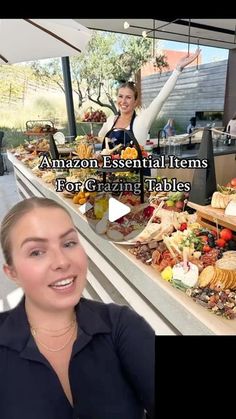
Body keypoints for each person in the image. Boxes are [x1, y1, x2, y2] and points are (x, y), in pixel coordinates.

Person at [0, 197, 155, 419]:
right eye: (37, 252)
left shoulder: (122, 326)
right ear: (12, 273)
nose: (62, 261)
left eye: (69, 243)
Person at [99, 48, 200, 147]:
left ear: (135, 101)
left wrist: (178, 69)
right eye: (120, 96)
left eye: (128, 97)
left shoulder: (142, 121)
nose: (123, 101)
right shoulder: (110, 121)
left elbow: (161, 98)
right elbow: (100, 139)